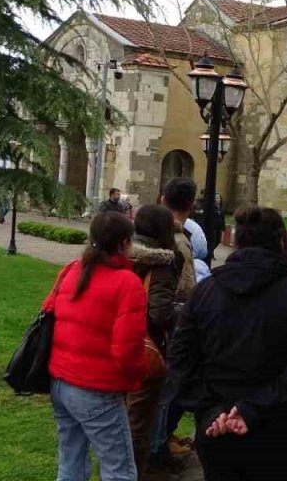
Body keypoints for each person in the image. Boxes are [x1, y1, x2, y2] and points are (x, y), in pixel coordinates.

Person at [168, 205, 287, 481]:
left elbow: (180, 358)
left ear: (237, 241)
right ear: (281, 242)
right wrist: (221, 410)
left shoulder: (205, 291)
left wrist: (212, 408)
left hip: (232, 423)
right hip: (273, 427)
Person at [45, 212, 147, 481]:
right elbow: (127, 348)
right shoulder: (127, 282)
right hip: (96, 388)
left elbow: (49, 313)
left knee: (71, 464)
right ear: (123, 243)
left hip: (61, 380)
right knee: (119, 470)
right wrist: (136, 378)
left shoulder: (72, 270)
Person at [149, 178, 206, 469]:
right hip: (167, 321)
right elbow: (184, 288)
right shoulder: (179, 240)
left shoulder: (149, 232)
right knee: (168, 388)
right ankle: (157, 449)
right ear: (191, 205)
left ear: (162, 200)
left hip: (147, 320)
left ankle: (160, 442)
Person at [125, 205, 184, 480]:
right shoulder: (161, 263)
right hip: (143, 346)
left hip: (114, 341)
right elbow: (159, 314)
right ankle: (138, 471)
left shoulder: (121, 253)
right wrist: (182, 312)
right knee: (139, 419)